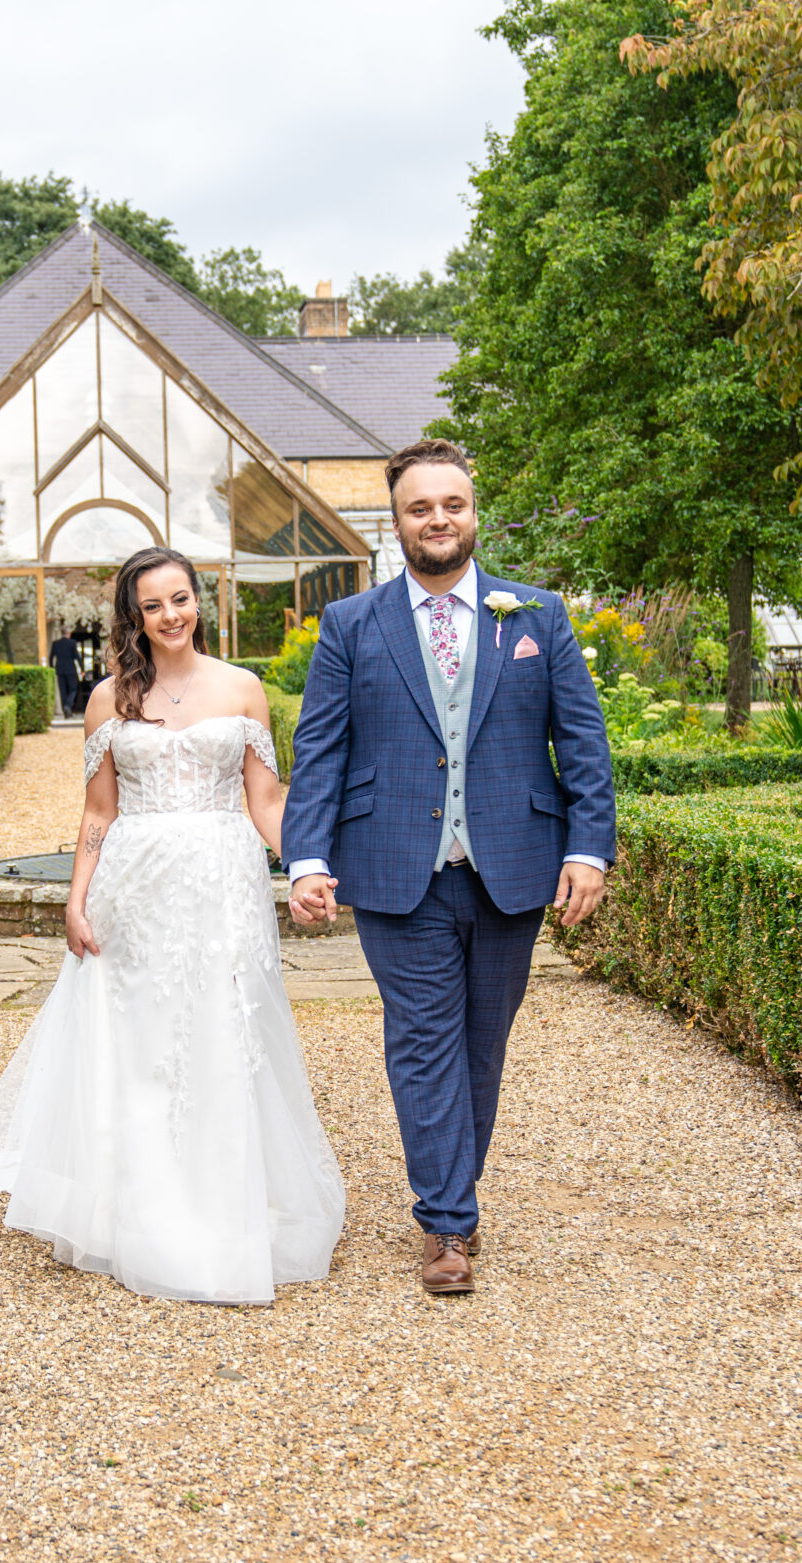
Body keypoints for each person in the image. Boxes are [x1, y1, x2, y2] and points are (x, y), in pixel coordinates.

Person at [0, 545, 346, 1305]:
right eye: (152, 605)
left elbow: (266, 803)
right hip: (138, 885)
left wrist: (309, 865)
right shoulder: (107, 699)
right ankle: (143, 1206)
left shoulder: (244, 688)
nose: (171, 616)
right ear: (134, 616)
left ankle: (229, 1200)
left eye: (181, 598)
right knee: (146, 1039)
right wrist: (76, 898)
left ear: (201, 600)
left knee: (228, 1026)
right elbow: (99, 813)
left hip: (225, 882)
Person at [281, 439, 616, 1297]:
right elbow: (320, 746)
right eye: (419, 507)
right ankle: (447, 1223)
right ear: (394, 522)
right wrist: (307, 856)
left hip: (514, 862)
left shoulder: (535, 615)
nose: (438, 520)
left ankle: (449, 1189)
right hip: (395, 865)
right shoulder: (352, 624)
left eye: (452, 505)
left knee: (482, 1043)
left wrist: (588, 848)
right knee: (424, 1038)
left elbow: (581, 742)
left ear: (474, 512)